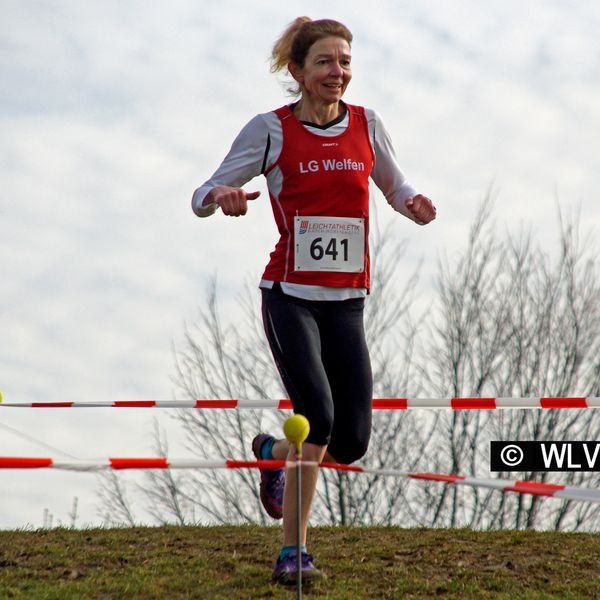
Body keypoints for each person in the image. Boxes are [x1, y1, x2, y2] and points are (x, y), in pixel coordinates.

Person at [191, 16, 436, 585]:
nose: (337, 72)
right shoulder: (270, 130)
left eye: (345, 62)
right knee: (318, 419)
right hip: (289, 297)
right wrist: (220, 196)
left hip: (347, 300)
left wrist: (414, 203)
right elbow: (201, 194)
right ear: (298, 71)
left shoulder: (367, 124)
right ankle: (292, 554)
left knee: (349, 442)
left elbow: (394, 186)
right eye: (325, 62)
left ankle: (271, 451)